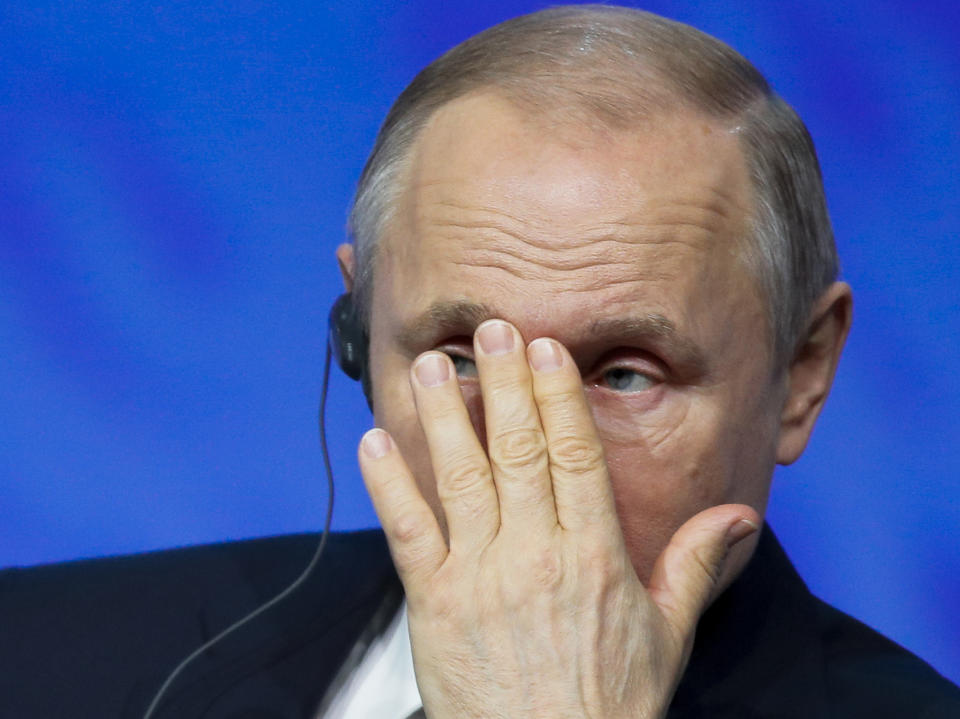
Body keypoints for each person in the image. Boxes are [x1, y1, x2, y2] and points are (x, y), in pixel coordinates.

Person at [2, 5, 958, 718]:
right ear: (358, 333)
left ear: (802, 373)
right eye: (460, 355)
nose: (527, 447)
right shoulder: (36, 658)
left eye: (626, 371)